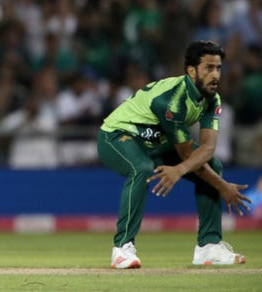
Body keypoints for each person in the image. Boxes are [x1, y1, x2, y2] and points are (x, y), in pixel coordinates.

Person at [97, 40, 251, 269]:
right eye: (208, 68)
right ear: (191, 71)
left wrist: (185, 172)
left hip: (154, 143)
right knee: (142, 168)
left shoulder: (212, 100)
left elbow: (207, 149)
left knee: (214, 165)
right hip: (117, 136)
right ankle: (122, 249)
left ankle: (208, 246)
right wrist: (222, 187)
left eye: (218, 68)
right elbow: (187, 154)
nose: (216, 75)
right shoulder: (172, 101)